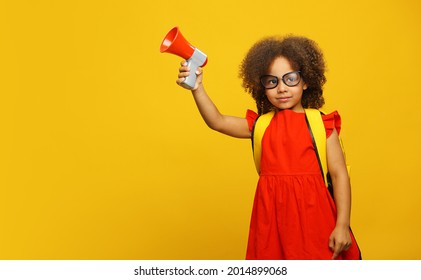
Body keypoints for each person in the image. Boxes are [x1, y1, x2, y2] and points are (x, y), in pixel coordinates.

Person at [175, 35, 361, 260]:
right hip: (271, 223)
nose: (281, 88)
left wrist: (342, 225)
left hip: (316, 220)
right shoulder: (261, 125)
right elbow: (218, 122)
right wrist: (197, 88)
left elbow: (340, 175)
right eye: (272, 81)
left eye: (290, 79)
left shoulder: (321, 124)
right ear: (262, 86)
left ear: (306, 81)